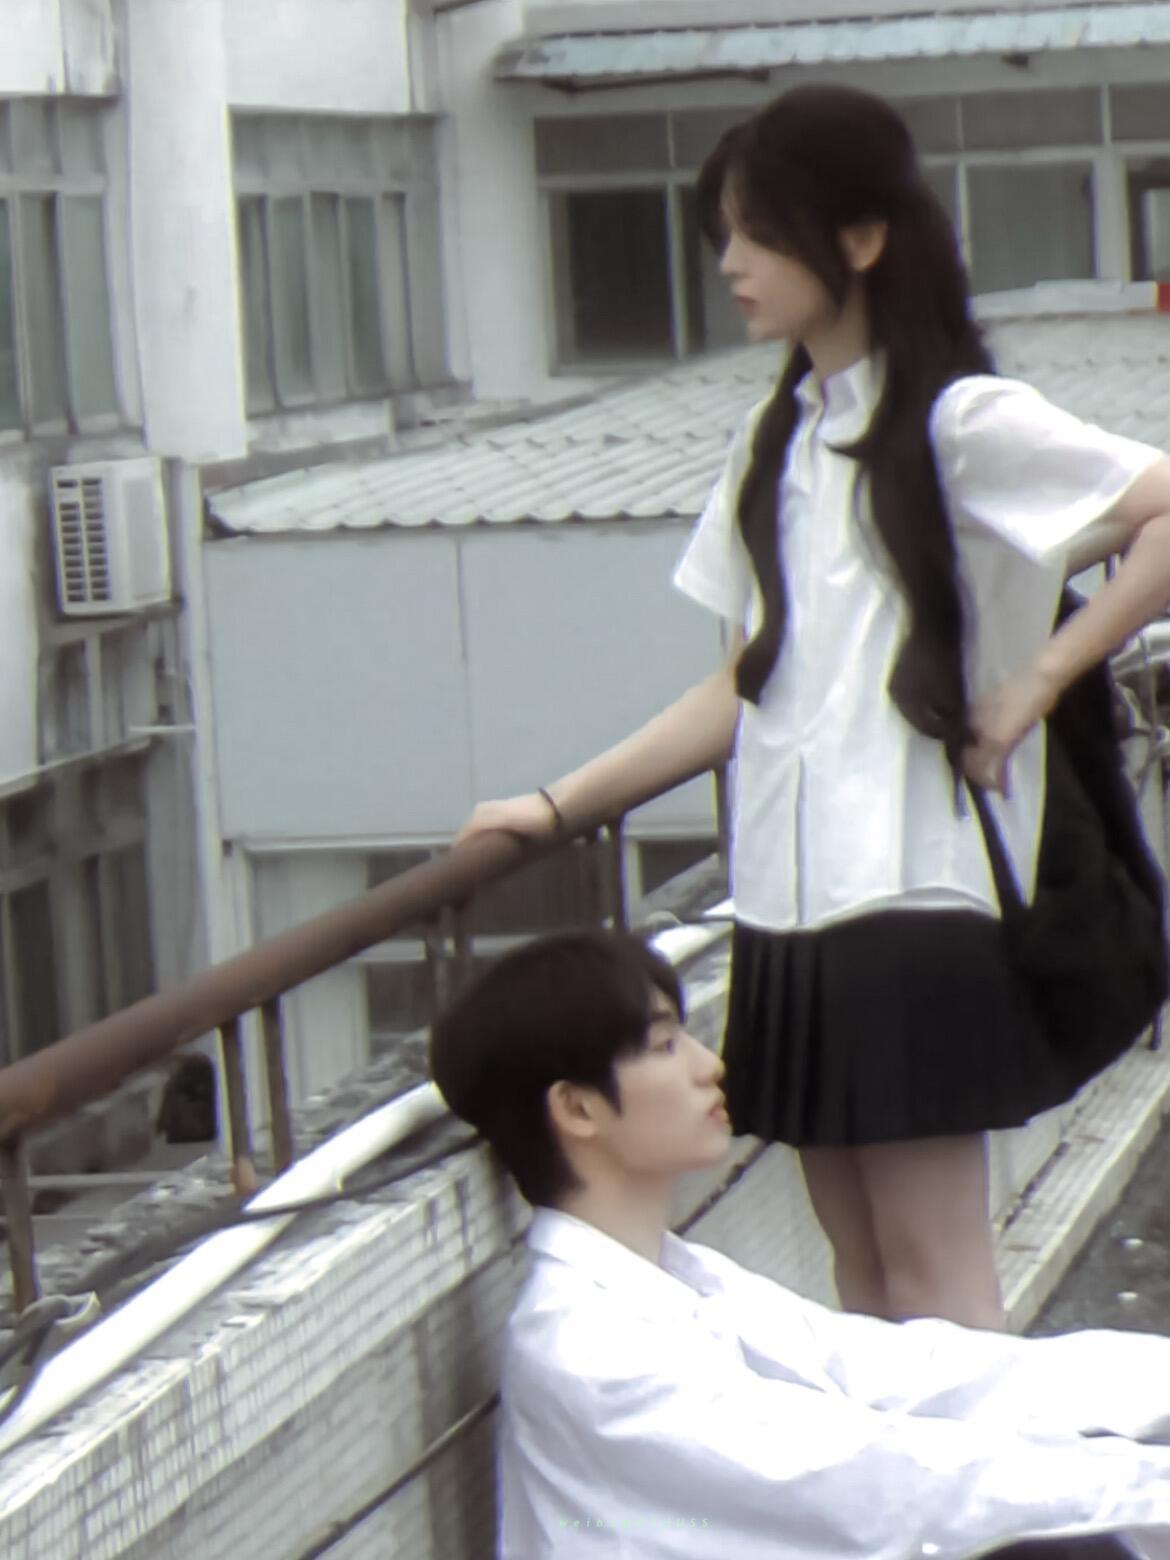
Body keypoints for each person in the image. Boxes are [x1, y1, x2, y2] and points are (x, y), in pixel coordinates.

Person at [458, 84, 1170, 1329]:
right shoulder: (776, 439)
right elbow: (749, 687)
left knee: (935, 1287)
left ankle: (994, 1473)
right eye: (723, 234)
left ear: (860, 239)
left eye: (758, 233)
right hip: (790, 909)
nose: (731, 264)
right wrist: (558, 806)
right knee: (861, 1284)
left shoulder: (960, 421)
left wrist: (1036, 682)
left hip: (912, 898)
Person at [429, 929, 1170, 1560]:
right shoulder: (590, 1351)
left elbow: (900, 1371)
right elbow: (864, 1479)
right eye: (664, 1045)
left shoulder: (676, 1278)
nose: (708, 1065)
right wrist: (1142, 1485)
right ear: (578, 1109)